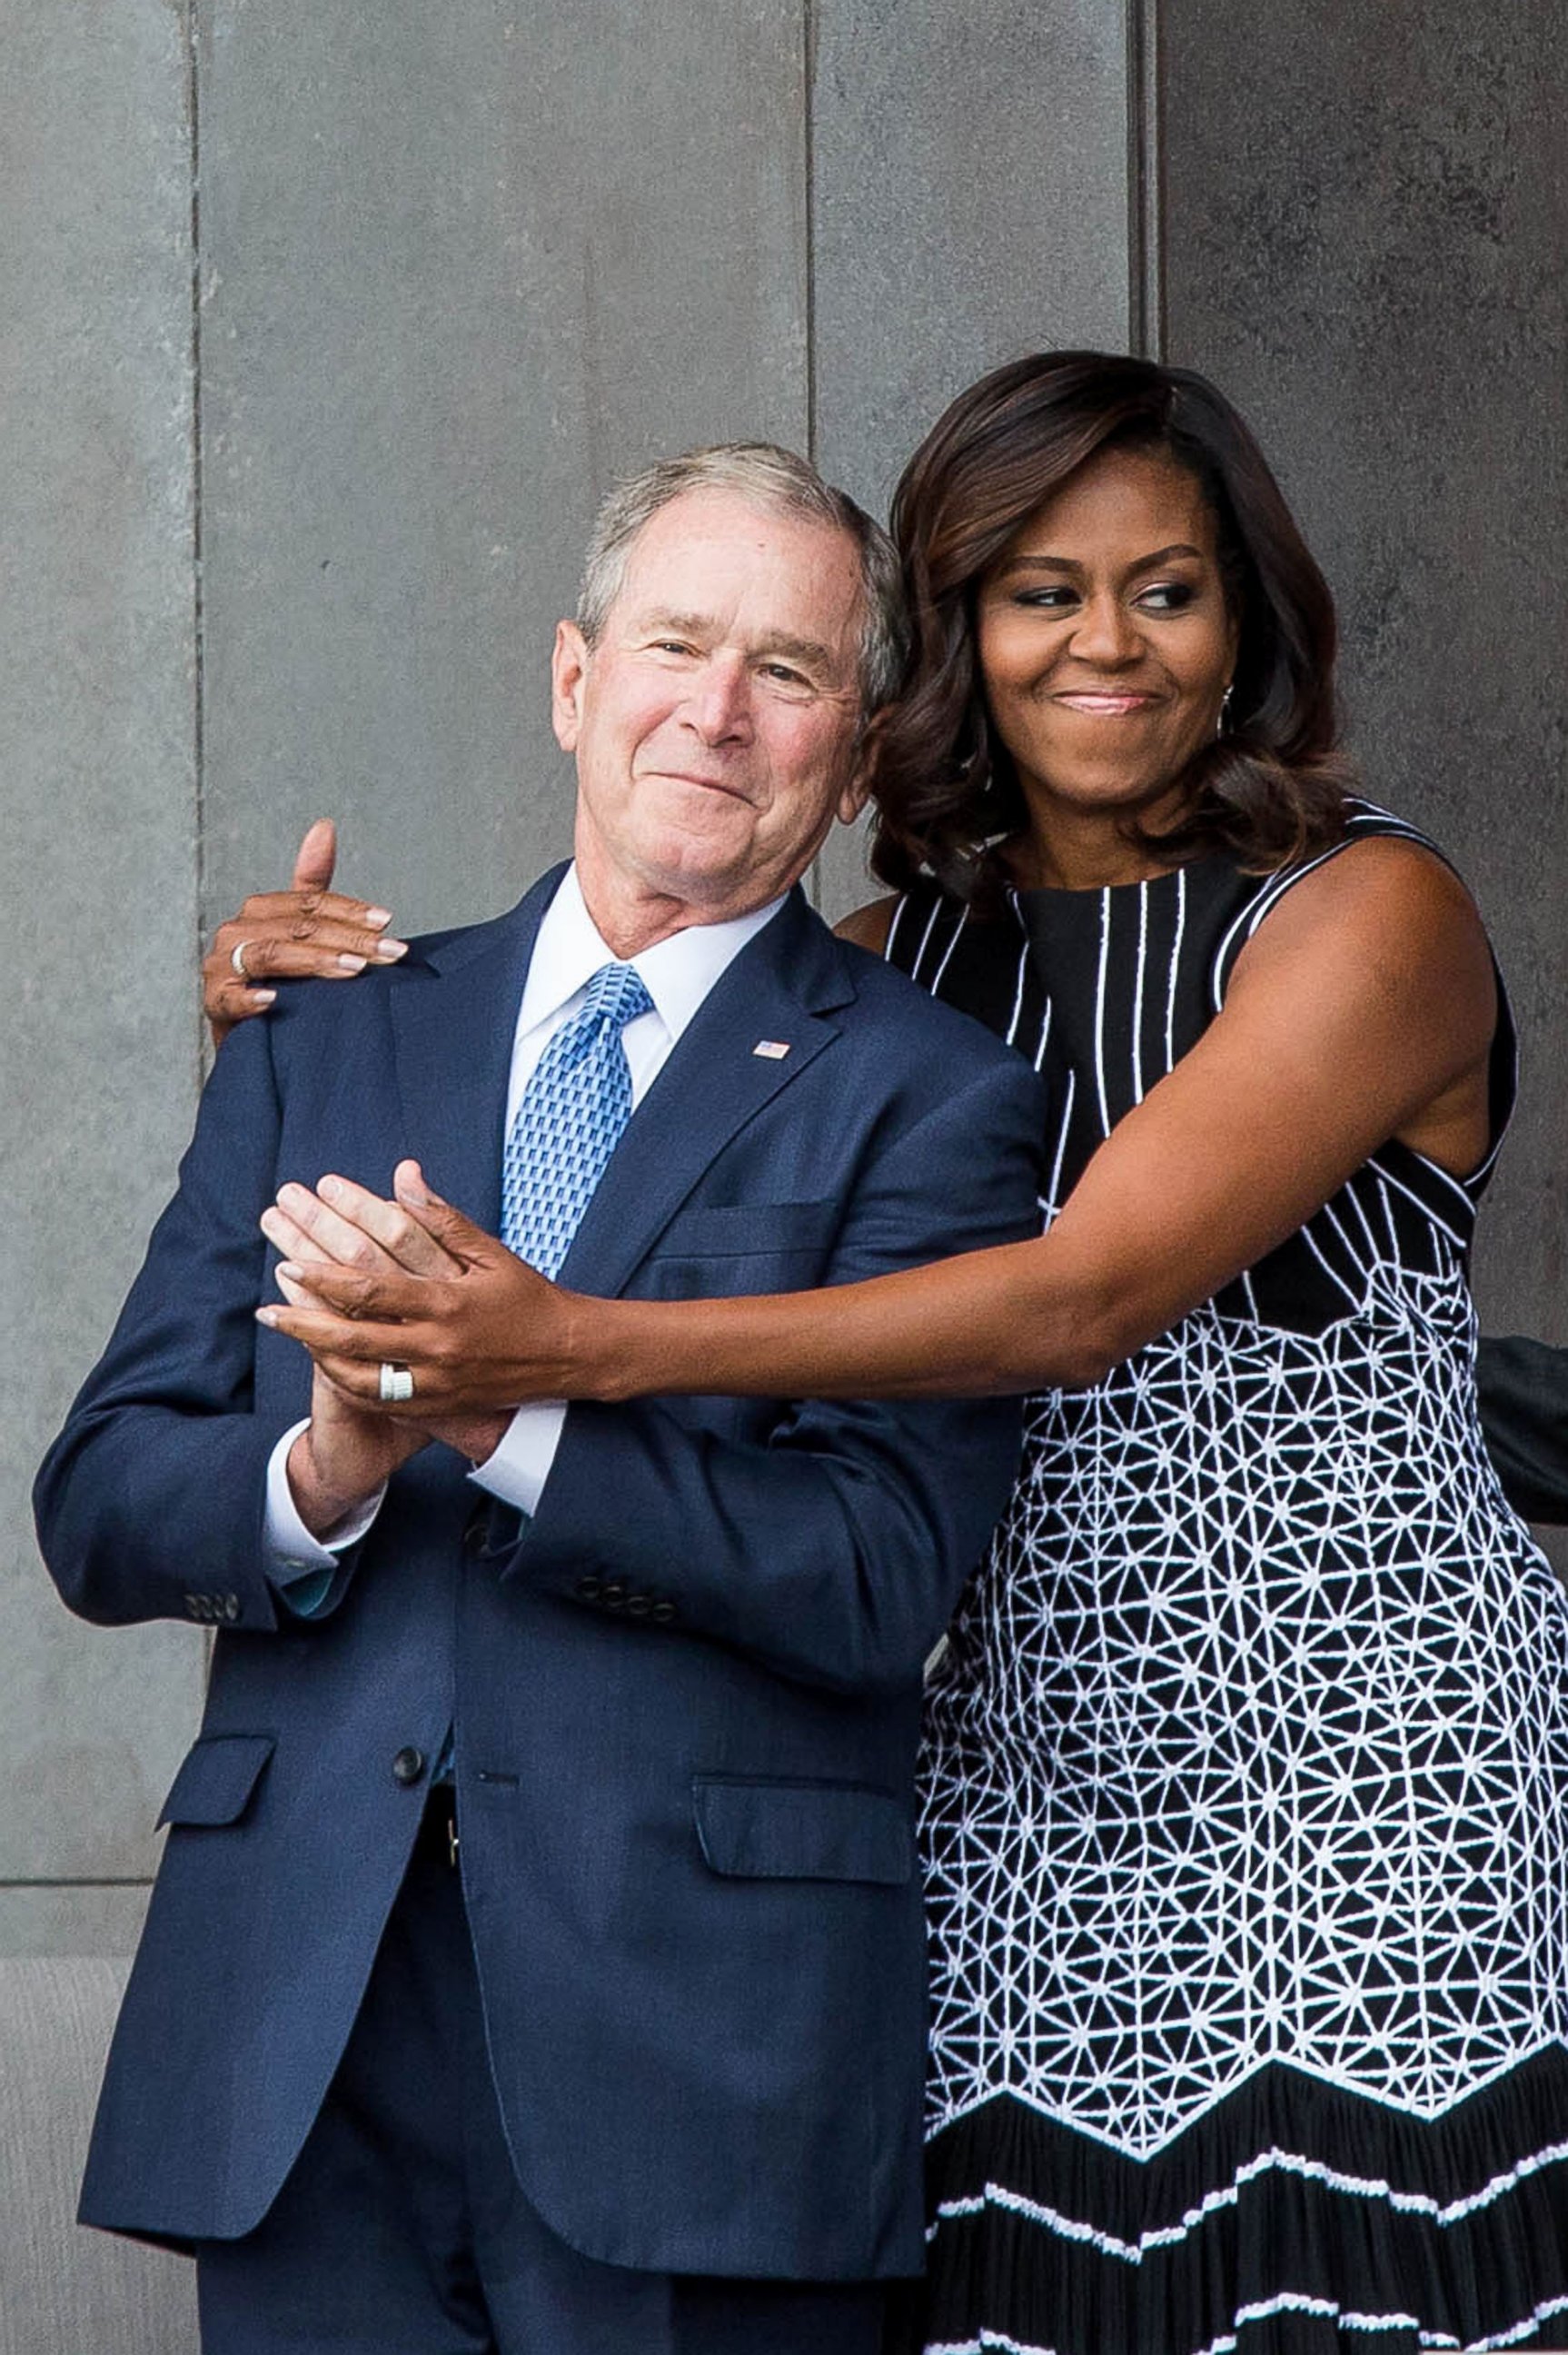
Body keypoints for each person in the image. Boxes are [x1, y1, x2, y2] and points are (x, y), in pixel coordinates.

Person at [230, 354, 1568, 2355]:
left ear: (1244, 627)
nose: (1102, 641)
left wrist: (574, 1346)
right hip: (1003, 1794)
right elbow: (578, 1105)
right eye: (1039, 590)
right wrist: (305, 1029)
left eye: (1165, 589)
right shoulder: (873, 971)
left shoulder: (1365, 911)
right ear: (948, 640)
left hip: (1352, 1780)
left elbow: (1079, 1299)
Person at [34, 444, 1051, 2355]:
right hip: (298, 2040)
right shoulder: (329, 1025)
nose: (717, 711)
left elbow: (873, 1574)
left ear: (852, 750)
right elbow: (97, 1501)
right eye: (675, 643)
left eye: (788, 670)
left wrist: (503, 1416)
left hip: (698, 2052)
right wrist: (331, 1459)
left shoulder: (930, 1095)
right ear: (574, 681)